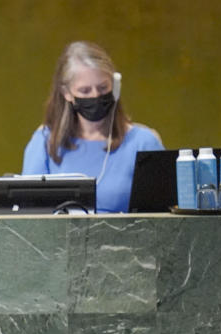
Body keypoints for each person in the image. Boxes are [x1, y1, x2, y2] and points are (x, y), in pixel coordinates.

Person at [21, 41, 163, 213]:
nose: (95, 96)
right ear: (67, 93)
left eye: (103, 88)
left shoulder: (143, 142)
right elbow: (28, 214)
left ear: (115, 87)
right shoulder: (45, 141)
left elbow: (160, 219)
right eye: (85, 91)